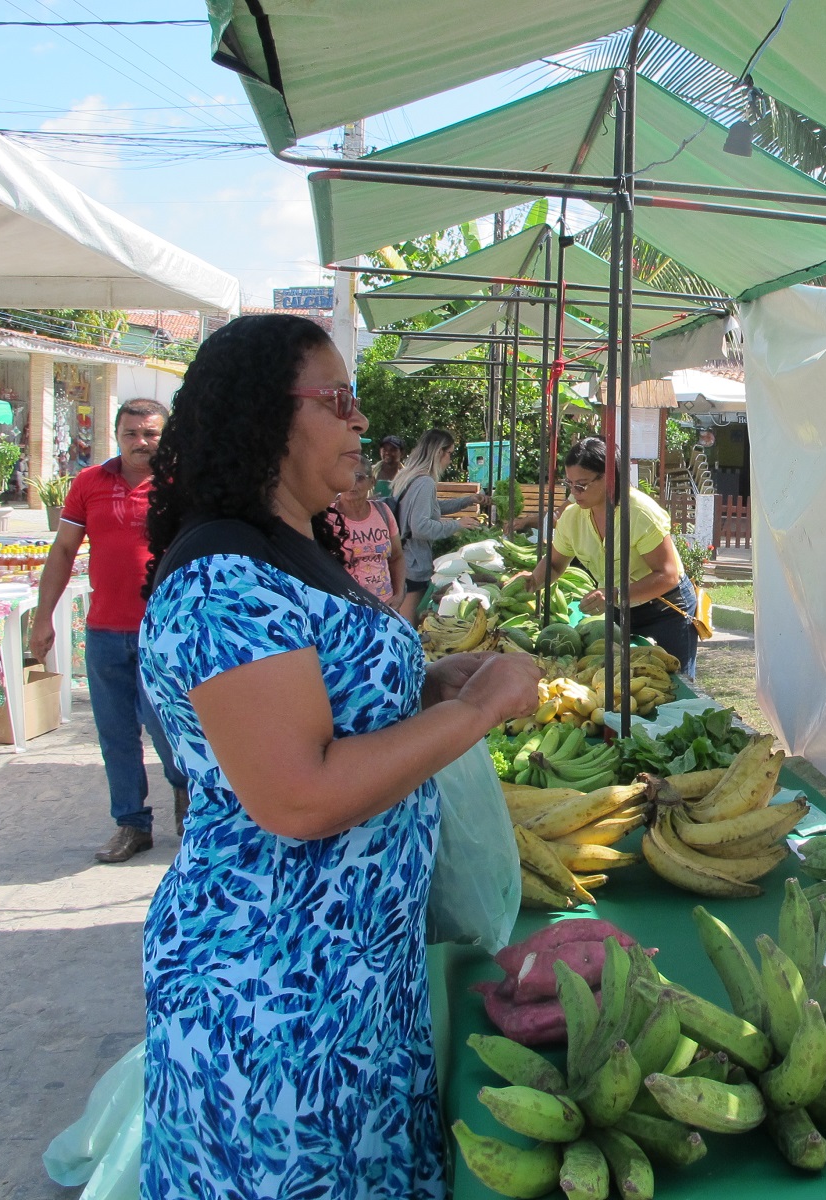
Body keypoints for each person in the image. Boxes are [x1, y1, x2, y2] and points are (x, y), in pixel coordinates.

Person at [135, 313, 540, 1198]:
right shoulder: (222, 580)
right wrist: (476, 709)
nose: (363, 424)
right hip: (274, 1004)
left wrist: (424, 683)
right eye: (341, 401)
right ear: (266, 417)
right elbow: (300, 794)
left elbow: (325, 707)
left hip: (349, 987)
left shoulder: (291, 550)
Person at [30, 398, 189, 863]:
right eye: (131, 434)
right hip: (104, 632)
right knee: (116, 733)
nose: (141, 443)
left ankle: (184, 792)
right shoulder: (89, 483)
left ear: (165, 435)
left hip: (163, 634)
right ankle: (131, 824)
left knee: (168, 728)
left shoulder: (181, 486)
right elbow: (62, 552)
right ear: (117, 436)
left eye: (150, 434)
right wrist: (43, 619)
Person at [525, 435, 700, 675]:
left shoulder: (639, 512)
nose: (574, 493)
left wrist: (613, 594)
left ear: (608, 478)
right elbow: (554, 565)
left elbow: (667, 575)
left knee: (672, 682)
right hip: (619, 609)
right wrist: (531, 581)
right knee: (618, 679)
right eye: (570, 484)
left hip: (665, 610)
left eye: (582, 485)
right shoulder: (572, 518)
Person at [391, 430, 488, 622]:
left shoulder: (410, 477)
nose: (450, 460)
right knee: (407, 621)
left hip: (404, 557)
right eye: (450, 453)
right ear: (438, 453)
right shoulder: (425, 482)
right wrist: (456, 525)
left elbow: (432, 508)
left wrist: (467, 501)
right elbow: (420, 527)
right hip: (413, 564)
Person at [332, 454, 406, 608]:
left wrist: (398, 595)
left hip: (384, 606)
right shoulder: (328, 518)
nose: (353, 483)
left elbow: (397, 557)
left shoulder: (383, 512)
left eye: (359, 477)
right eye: (347, 476)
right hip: (346, 608)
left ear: (371, 481)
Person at [370, 434, 404, 500]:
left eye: (392, 450)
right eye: (384, 450)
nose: (387, 453)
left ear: (402, 453)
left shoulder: (407, 477)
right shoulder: (369, 472)